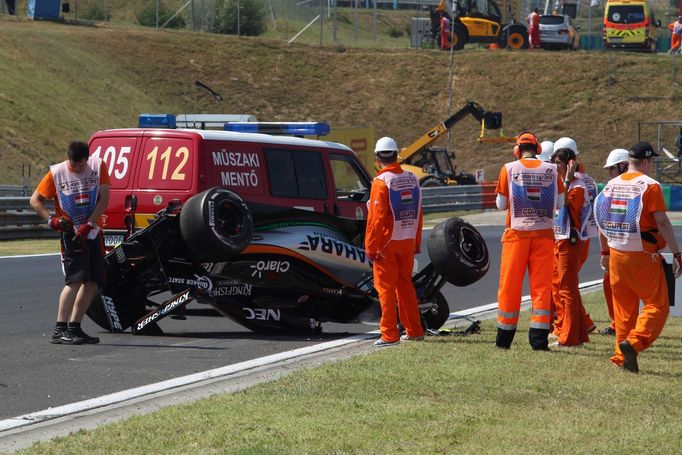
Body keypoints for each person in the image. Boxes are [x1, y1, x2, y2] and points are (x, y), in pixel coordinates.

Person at [593, 142, 682, 373]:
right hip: (642, 256)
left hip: (615, 254)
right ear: (645, 161)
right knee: (658, 306)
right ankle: (633, 343)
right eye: (651, 162)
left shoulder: (610, 186)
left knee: (624, 311)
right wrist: (677, 252)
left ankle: (621, 358)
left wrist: (604, 252)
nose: (651, 166)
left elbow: (600, 223)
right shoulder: (650, 186)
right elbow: (662, 221)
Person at [30, 141, 111, 345]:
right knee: (74, 280)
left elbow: (104, 199)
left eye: (80, 165)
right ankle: (60, 329)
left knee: (92, 282)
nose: (77, 169)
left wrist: (90, 223)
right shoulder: (56, 173)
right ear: (69, 159)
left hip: (92, 232)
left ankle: (75, 327)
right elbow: (35, 200)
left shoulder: (98, 166)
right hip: (71, 233)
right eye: (73, 165)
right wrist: (51, 220)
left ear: (87, 159)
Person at [494, 132, 565, 350]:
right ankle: (538, 341)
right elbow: (561, 204)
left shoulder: (509, 168)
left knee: (509, 287)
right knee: (542, 288)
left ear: (517, 150)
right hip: (544, 235)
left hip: (517, 235)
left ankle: (504, 340)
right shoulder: (552, 170)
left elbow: (500, 205)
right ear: (539, 150)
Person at [365, 137, 425, 347]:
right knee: (405, 286)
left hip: (386, 243)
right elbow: (419, 213)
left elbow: (375, 219)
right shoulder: (413, 178)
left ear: (377, 157)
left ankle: (389, 334)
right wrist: (416, 241)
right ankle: (415, 330)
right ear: (396, 154)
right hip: (407, 240)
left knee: (385, 289)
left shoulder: (381, 182)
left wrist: (371, 248)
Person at [549, 145, 592, 347]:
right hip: (559, 240)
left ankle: (569, 338)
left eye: (558, 163)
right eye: (553, 162)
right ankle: (578, 335)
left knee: (568, 289)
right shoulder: (560, 183)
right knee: (562, 288)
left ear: (569, 164)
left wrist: (567, 177)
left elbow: (563, 203)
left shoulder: (577, 185)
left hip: (571, 241)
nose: (554, 166)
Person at [597, 148, 630, 336]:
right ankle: (617, 323)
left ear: (624, 166)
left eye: (612, 169)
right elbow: (602, 222)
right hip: (615, 246)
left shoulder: (639, 186)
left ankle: (626, 325)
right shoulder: (610, 188)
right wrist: (604, 252)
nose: (609, 173)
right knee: (610, 285)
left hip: (632, 247)